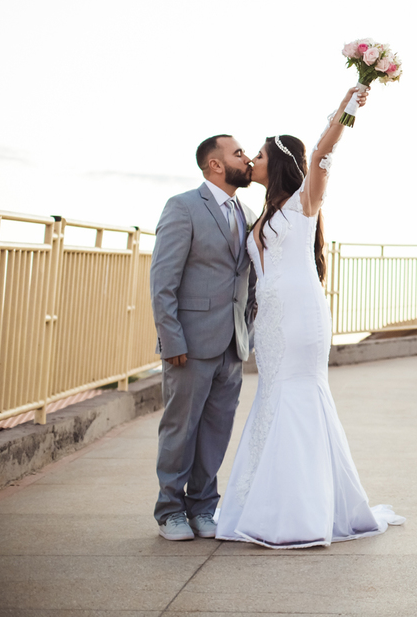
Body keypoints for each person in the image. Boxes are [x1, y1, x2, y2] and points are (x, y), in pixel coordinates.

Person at [216, 85, 405, 548]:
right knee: (273, 399)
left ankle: (303, 513)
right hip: (272, 325)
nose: (251, 162)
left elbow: (323, 148)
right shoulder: (263, 213)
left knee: (299, 397)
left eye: (257, 156)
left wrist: (350, 102)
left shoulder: (305, 200)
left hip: (302, 319)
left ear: (275, 162)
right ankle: (266, 503)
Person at [150, 134, 256, 541]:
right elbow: (163, 280)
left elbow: (244, 279)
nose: (246, 159)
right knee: (180, 428)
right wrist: (171, 339)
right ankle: (170, 511)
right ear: (215, 165)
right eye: (238, 153)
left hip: (232, 343)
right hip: (190, 344)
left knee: (216, 430)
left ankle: (203, 507)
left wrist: (246, 328)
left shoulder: (246, 212)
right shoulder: (183, 206)